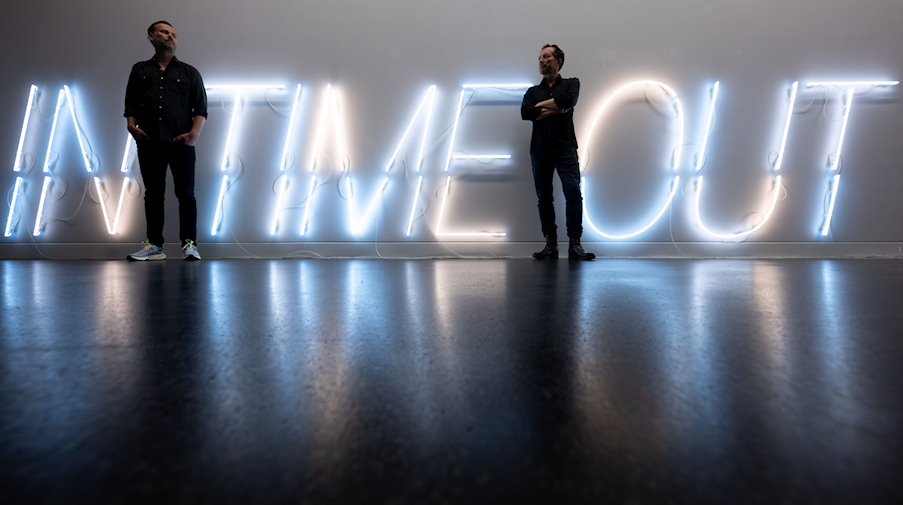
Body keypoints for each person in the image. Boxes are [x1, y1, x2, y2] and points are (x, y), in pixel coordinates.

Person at [124, 20, 207, 261]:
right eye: (164, 32)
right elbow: (131, 101)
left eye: (174, 34)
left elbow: (200, 107)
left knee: (186, 194)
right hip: (150, 141)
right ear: (151, 36)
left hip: (181, 143)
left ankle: (190, 244)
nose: (170, 37)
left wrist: (194, 133)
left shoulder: (189, 72)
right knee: (153, 194)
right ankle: (155, 246)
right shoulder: (140, 70)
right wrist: (131, 124)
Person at [521, 44, 595, 261]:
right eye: (540, 57)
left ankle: (575, 244)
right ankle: (550, 245)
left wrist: (541, 109)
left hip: (565, 148)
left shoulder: (572, 83)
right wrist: (556, 108)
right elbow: (526, 113)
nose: (541, 61)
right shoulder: (532, 92)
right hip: (540, 150)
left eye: (546, 56)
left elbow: (568, 101)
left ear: (558, 61)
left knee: (573, 193)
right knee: (544, 197)